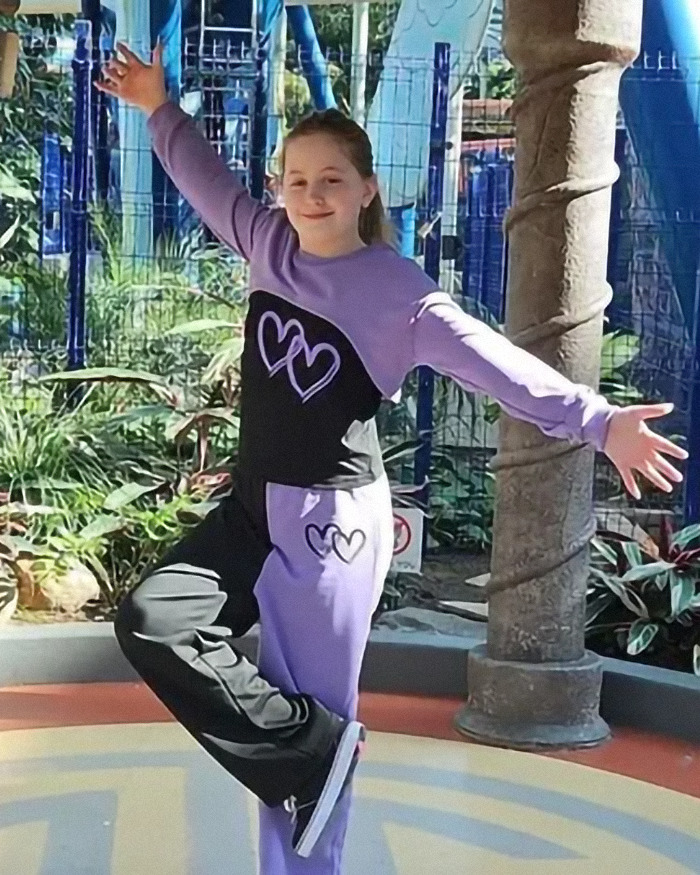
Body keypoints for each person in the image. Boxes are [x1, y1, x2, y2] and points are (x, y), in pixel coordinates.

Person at [96, 42, 688, 875]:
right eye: (296, 179)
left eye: (331, 179)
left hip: (330, 529)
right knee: (158, 621)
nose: (311, 194)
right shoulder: (269, 243)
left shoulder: (398, 292)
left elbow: (498, 365)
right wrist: (157, 107)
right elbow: (204, 179)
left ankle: (309, 822)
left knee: (308, 747)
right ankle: (313, 750)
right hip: (252, 509)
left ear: (366, 188)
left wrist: (599, 421)